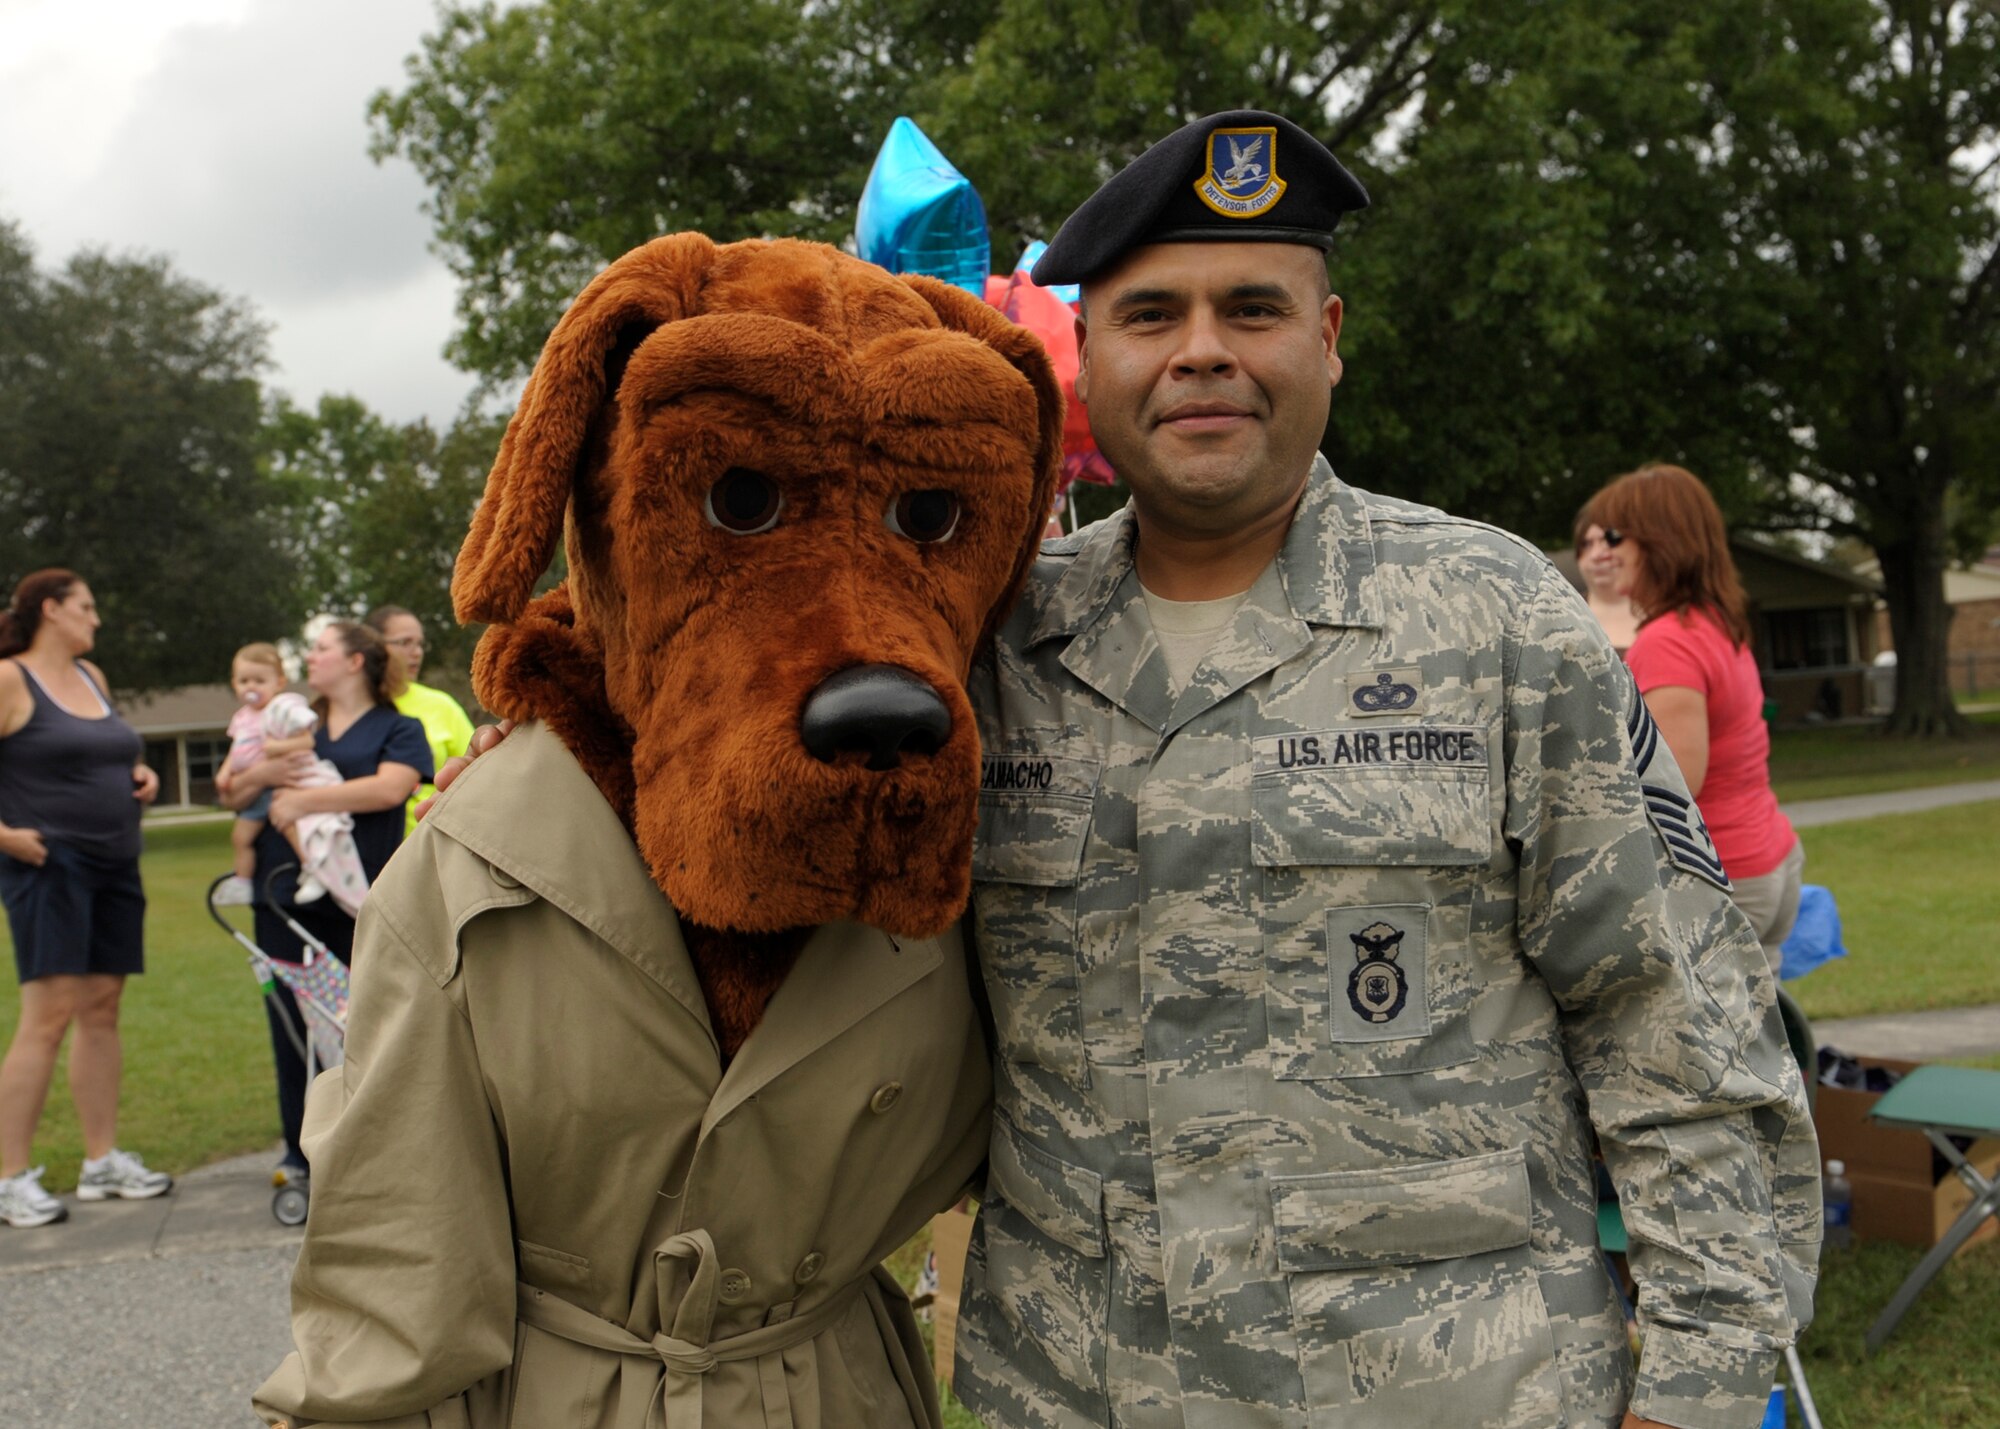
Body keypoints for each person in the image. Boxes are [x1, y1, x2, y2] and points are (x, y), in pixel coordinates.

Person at [430, 112, 1819, 1428]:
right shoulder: (986, 639)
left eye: (1253, 310)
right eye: (1153, 316)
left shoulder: (1499, 622)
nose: (1203, 353)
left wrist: (1697, 1385)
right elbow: (733, 719)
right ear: (1081, 357)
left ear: (1329, 341)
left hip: (1450, 1383)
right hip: (1082, 1387)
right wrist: (552, 758)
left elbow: (1679, 1025)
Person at [223, 620, 430, 1176]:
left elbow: (390, 788)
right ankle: (301, 1154)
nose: (309, 657)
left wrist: (301, 804)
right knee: (292, 1030)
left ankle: (377, 1153)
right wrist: (264, 773)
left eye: (320, 648)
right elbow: (234, 788)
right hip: (282, 903)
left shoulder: (398, 728)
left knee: (369, 1029)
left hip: (363, 909)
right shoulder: (287, 721)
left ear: (355, 661)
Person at [1584, 464, 1806, 976]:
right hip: (1769, 858)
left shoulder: (1669, 642)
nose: (1602, 551)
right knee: (1763, 1046)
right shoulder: (1714, 620)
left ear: (1658, 541)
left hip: (1724, 878)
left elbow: (1671, 786)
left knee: (1709, 1052)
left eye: (1615, 536)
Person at [0, 569, 170, 1227]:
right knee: (48, 1015)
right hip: (49, 864)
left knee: (103, 1006)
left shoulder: (93, 677)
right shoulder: (12, 679)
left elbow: (104, 751)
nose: (96, 618)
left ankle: (100, 1162)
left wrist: (141, 774)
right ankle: (10, 1177)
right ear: (52, 609)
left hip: (115, 860)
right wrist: (7, 837)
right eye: (87, 606)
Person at [213, 643, 318, 906]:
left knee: (290, 826)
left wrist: (276, 747)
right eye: (244, 680)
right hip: (253, 791)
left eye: (260, 681)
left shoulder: (282, 711)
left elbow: (306, 741)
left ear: (279, 683)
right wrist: (224, 772)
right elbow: (235, 749)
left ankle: (312, 868)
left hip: (281, 786)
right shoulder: (241, 717)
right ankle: (243, 882)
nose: (251, 687)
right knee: (240, 837)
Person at [363, 605, 472, 834]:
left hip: (427, 844)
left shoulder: (442, 706)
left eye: (420, 644)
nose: (417, 652)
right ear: (373, 647)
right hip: (361, 852)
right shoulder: (354, 707)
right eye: (405, 643)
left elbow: (478, 774)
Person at [1576, 514, 1641, 652]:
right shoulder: (1562, 615)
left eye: (1608, 541)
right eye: (1586, 544)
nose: (1596, 555)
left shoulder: (1667, 611)